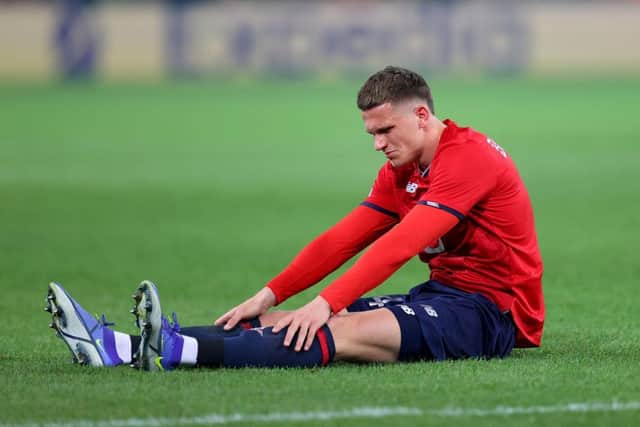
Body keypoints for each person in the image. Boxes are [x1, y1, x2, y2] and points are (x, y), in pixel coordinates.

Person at [45, 66, 544, 371]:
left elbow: (397, 246)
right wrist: (269, 294)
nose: (377, 143)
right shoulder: (402, 169)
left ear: (421, 116)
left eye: (385, 129)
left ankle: (176, 354)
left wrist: (325, 303)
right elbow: (343, 238)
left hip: (491, 315)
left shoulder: (469, 157)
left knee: (338, 330)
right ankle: (117, 347)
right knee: (278, 320)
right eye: (370, 133)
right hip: (442, 298)